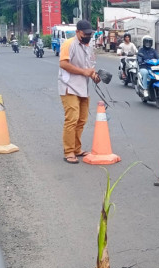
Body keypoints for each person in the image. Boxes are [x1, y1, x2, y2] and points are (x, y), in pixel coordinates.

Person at [58, 19, 100, 164]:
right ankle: (69, 151)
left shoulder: (89, 46)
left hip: (83, 87)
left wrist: (94, 76)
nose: (88, 36)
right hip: (69, 86)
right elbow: (63, 63)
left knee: (82, 120)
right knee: (72, 119)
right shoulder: (69, 44)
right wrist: (84, 72)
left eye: (90, 34)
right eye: (85, 34)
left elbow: (89, 67)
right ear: (77, 32)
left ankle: (77, 148)